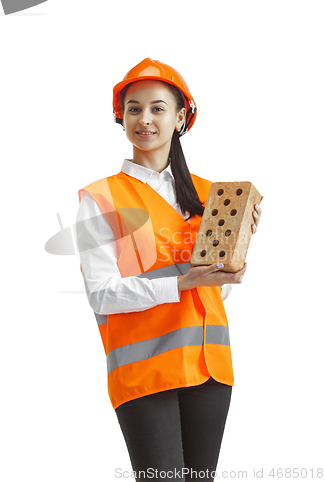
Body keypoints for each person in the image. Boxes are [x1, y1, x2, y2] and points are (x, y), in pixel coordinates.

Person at [75, 58, 262, 482]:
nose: (145, 119)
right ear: (120, 116)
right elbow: (101, 294)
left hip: (210, 367)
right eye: (134, 108)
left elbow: (215, 292)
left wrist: (237, 252)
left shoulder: (210, 194)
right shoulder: (102, 198)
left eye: (158, 108)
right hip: (145, 371)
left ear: (180, 118)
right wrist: (182, 282)